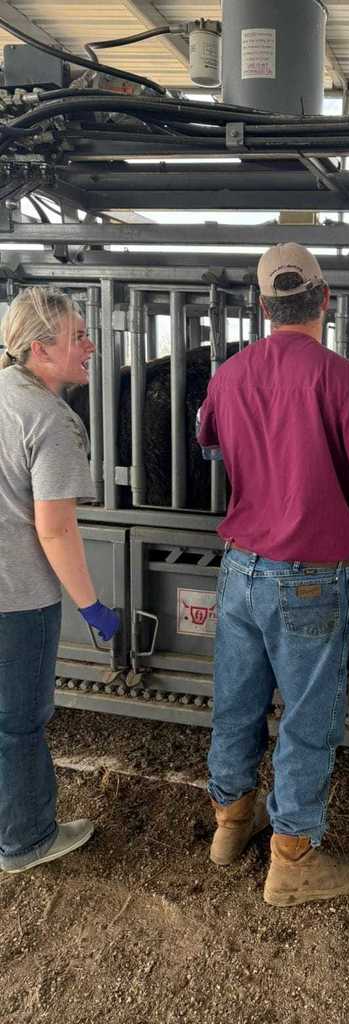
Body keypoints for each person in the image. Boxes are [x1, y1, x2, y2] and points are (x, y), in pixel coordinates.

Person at [197, 243, 349, 907]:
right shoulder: (348, 383)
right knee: (308, 718)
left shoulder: (229, 376)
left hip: (240, 570)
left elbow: (217, 445)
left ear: (262, 307)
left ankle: (231, 825)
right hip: (309, 574)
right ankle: (292, 855)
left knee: (236, 702)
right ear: (326, 300)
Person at [0, 287, 120, 875]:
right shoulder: (47, 416)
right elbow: (55, 529)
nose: (90, 345)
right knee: (18, 722)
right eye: (77, 336)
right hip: (15, 598)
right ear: (41, 349)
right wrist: (92, 605)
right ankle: (26, 840)